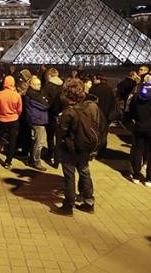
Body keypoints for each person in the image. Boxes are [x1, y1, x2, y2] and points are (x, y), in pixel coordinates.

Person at [53, 78, 105, 216]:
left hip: (71, 148)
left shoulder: (68, 112)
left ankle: (68, 205)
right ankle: (89, 202)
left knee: (69, 176)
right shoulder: (90, 106)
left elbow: (61, 133)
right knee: (84, 171)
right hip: (86, 146)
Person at [0, 75, 22, 169]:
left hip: (2, 119)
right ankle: (8, 161)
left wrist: (1, 114)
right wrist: (15, 115)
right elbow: (19, 109)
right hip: (14, 120)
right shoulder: (17, 95)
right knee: (12, 141)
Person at [24, 76, 49, 171]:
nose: (40, 86)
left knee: (36, 141)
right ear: (31, 85)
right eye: (37, 84)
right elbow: (45, 105)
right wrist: (46, 101)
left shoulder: (32, 93)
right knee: (40, 142)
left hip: (36, 119)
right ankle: (36, 161)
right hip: (37, 120)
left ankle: (32, 159)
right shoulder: (33, 95)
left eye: (40, 84)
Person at [42, 68, 64, 167]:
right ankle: (57, 159)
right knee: (59, 138)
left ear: (49, 75)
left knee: (50, 137)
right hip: (62, 115)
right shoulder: (63, 86)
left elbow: (43, 101)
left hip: (51, 114)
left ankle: (50, 154)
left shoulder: (48, 86)